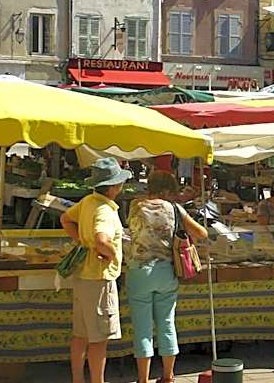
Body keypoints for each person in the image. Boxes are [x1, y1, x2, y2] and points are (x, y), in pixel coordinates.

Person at [127, 171, 208, 383]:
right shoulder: (174, 208)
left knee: (142, 328)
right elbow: (202, 233)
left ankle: (143, 379)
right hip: (166, 271)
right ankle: (168, 376)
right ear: (166, 190)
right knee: (167, 323)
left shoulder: (135, 205)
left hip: (139, 271)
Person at [60, 158, 132, 383]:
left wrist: (83, 242)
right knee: (99, 340)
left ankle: (78, 379)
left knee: (80, 336)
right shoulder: (105, 210)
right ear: (112, 187)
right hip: (99, 279)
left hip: (83, 276)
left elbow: (65, 219)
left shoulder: (88, 201)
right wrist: (111, 254)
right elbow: (102, 240)